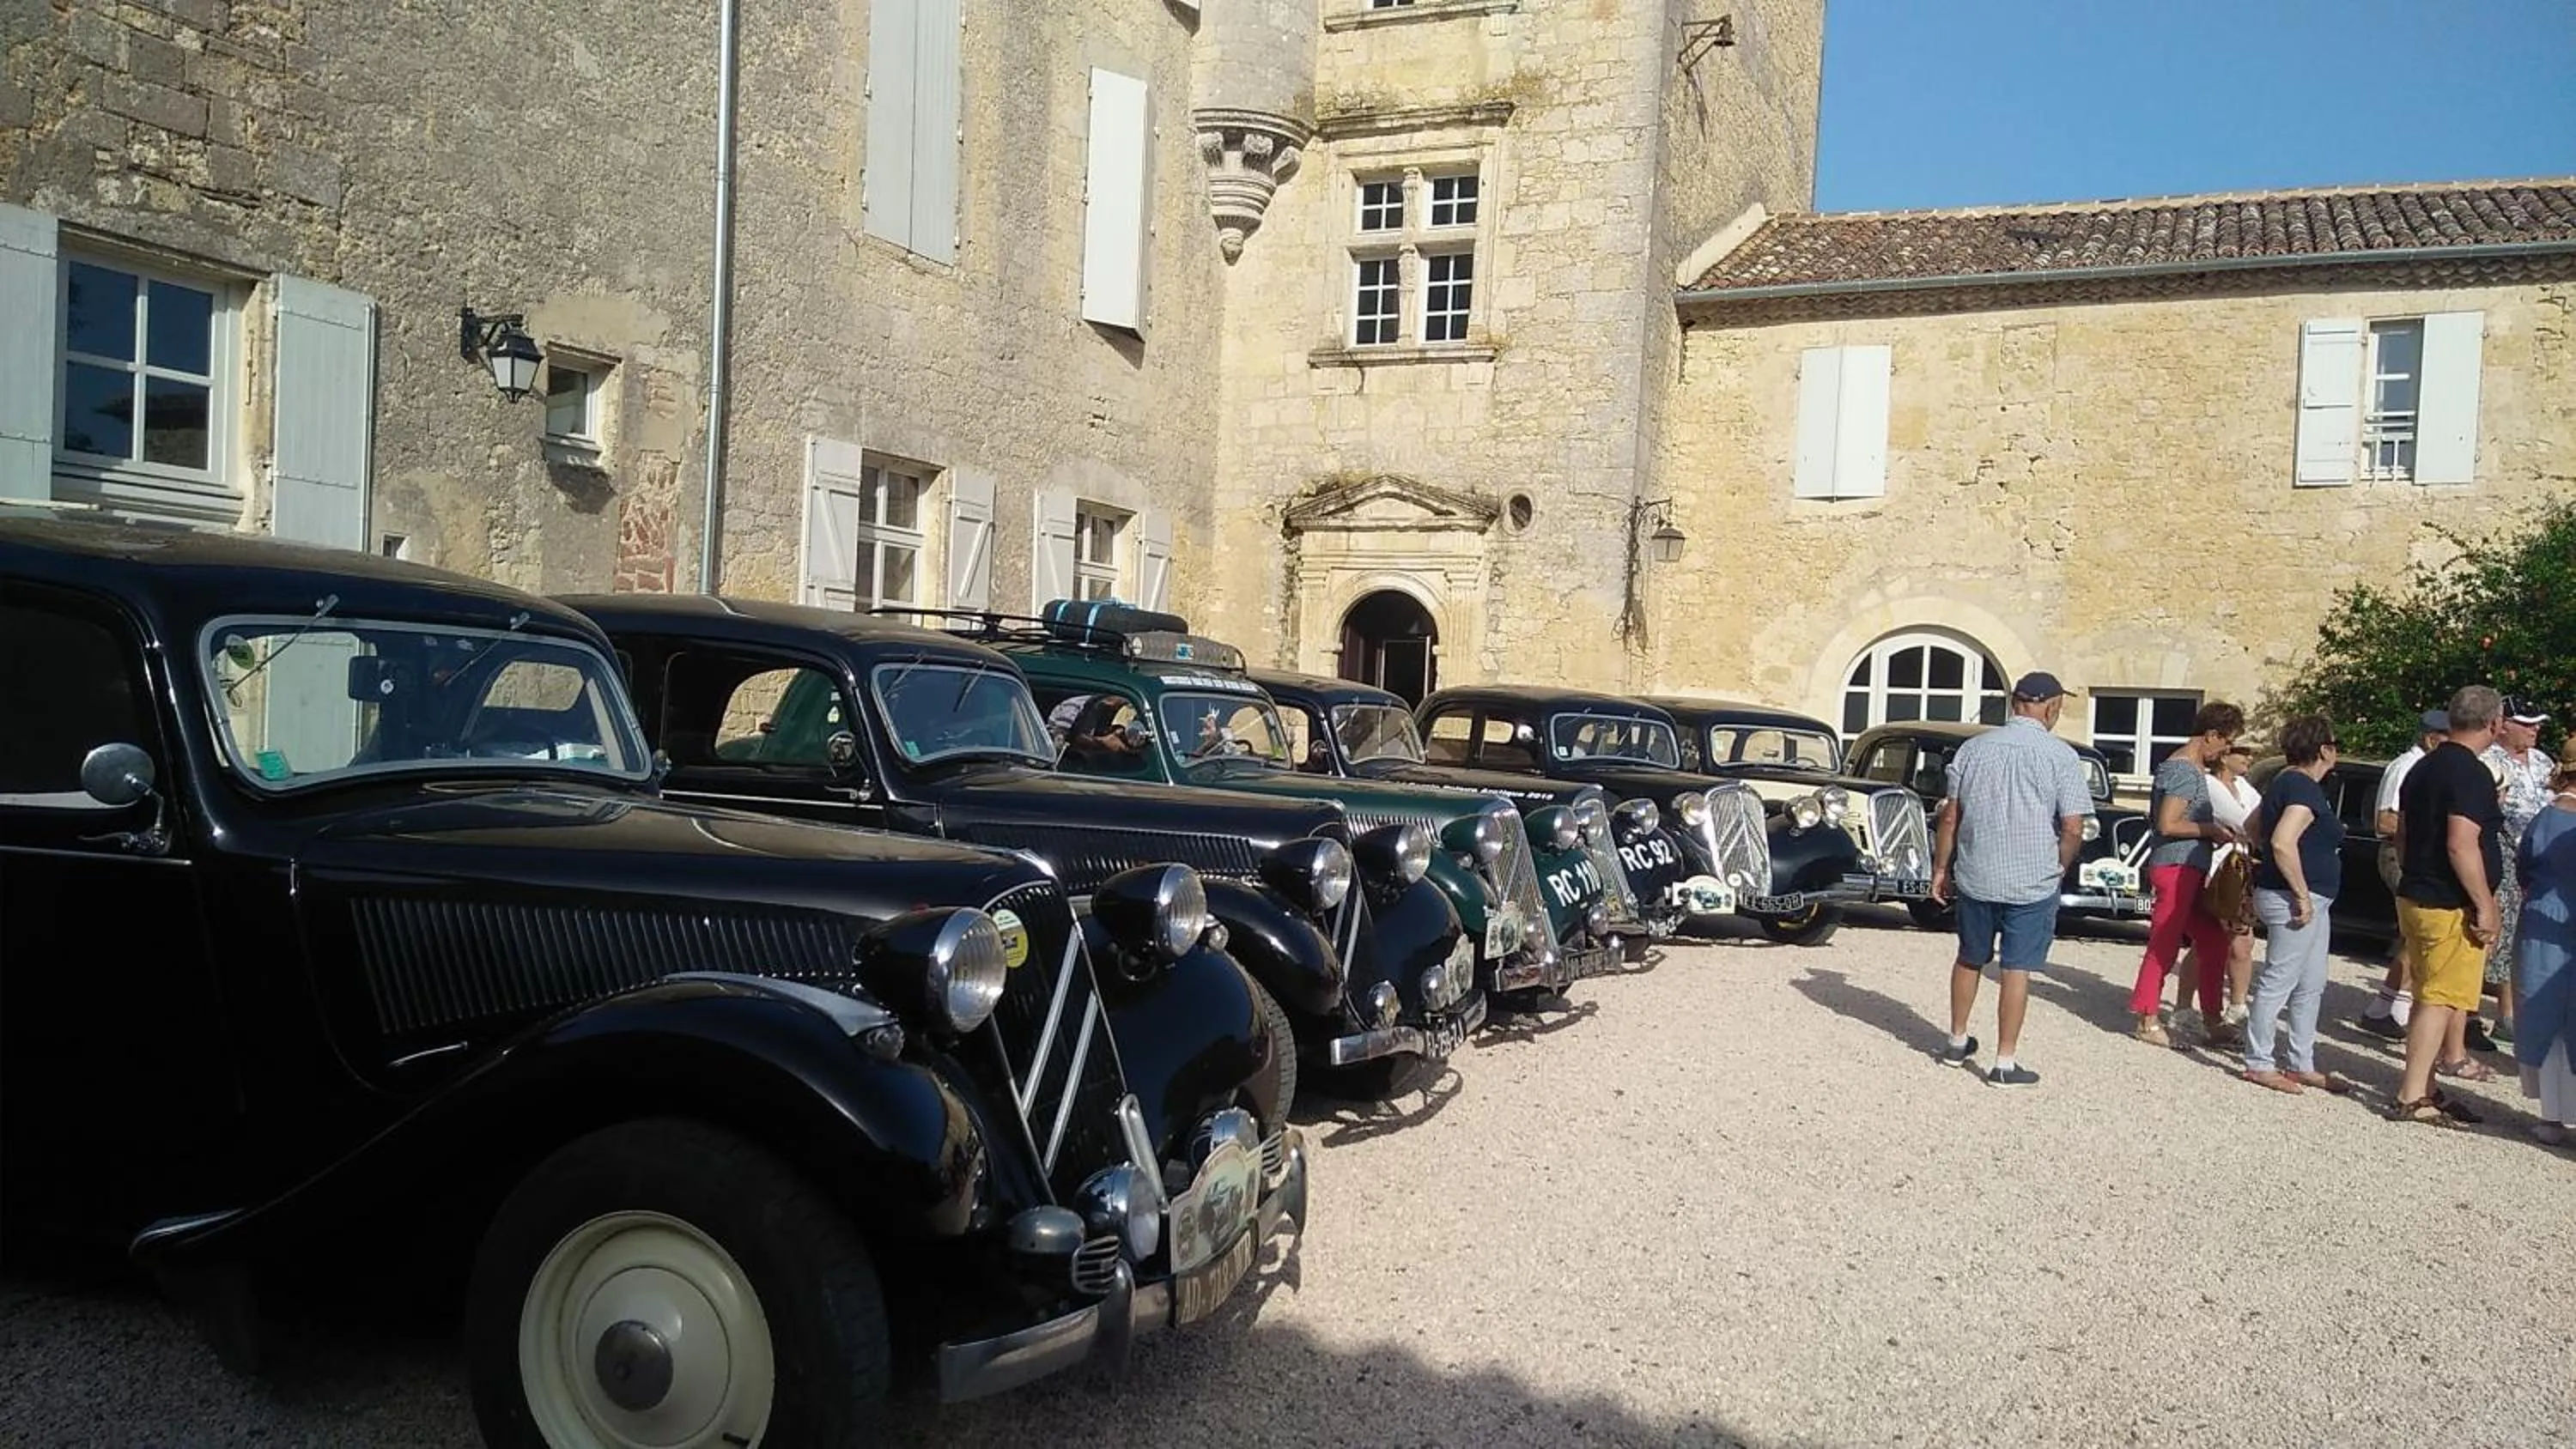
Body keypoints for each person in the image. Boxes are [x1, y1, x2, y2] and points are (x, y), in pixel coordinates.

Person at [1927, 671, 2094, 1088]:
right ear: (2051, 706)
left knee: (1969, 956)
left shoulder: (1973, 748)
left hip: (1977, 870)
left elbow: (1951, 814)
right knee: (2016, 967)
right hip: (2032, 877)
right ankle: (2004, 1061)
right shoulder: (2060, 756)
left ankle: (1955, 1040)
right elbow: (2073, 826)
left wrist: (1941, 868)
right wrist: (2061, 865)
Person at [2389, 686, 2507, 1127]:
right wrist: (2484, 904)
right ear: (2493, 724)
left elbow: (2401, 833)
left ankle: (2426, 1084)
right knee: (2439, 1000)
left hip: (2416, 891)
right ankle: (2412, 1094)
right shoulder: (2471, 774)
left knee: (2427, 994)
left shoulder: (2422, 767)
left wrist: (2415, 868)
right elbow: (2462, 843)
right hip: (2448, 901)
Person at [2241, 716, 2350, 1094]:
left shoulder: (2284, 782)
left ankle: (2300, 1061)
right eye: (2335, 743)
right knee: (2279, 980)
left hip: (2306, 896)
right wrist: (2301, 893)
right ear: (2323, 749)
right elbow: (2282, 841)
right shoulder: (2303, 788)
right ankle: (2258, 1061)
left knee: (2311, 981)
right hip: (2294, 897)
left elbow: (2251, 827)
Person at [2128, 701, 2246, 1047]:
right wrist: (2209, 829)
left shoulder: (2188, 768)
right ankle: (2147, 1018)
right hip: (2175, 868)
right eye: (2226, 741)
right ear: (2211, 735)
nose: (2227, 750)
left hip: (2187, 868)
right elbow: (2168, 823)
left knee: (2213, 941)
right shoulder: (2184, 770)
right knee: (2164, 941)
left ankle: (2212, 1018)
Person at [2356, 709, 2450, 1040]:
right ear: (2430, 737)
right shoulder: (2406, 767)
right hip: (2398, 853)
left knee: (2413, 934)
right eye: (2446, 737)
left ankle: (2385, 1008)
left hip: (2411, 852)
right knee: (2419, 931)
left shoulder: (2424, 767)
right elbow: (2385, 821)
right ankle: (2393, 1008)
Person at [2473, 698, 2555, 1050]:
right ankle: (2473, 1015)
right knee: (2494, 935)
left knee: (2521, 938)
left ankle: (2510, 1016)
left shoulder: (2544, 762)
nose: (2534, 729)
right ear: (2504, 724)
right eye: (2527, 723)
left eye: (2537, 723)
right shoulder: (2487, 761)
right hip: (2504, 852)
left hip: (2543, 857)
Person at [2512, 737, 2576, 1145]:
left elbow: (2523, 866)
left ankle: (2552, 1115)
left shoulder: (2546, 815)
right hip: (2558, 915)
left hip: (2542, 914)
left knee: (2544, 1010)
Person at [2188, 740, 2264, 1035]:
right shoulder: (2208, 785)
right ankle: (2189, 1005)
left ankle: (2237, 1005)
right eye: (2243, 751)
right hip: (2216, 868)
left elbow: (2259, 821)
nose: (2249, 757)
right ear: (2225, 757)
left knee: (2242, 940)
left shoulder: (2246, 788)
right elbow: (2245, 823)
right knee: (2212, 940)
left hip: (2240, 869)